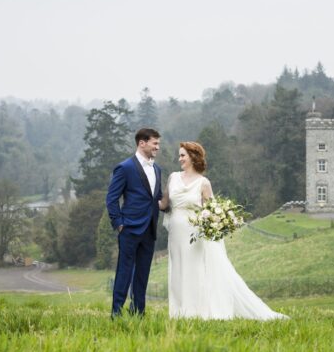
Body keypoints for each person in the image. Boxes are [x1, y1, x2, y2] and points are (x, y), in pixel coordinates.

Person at [159, 141, 287, 320]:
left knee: (194, 270)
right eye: (179, 155)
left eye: (182, 155)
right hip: (175, 233)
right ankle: (179, 312)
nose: (179, 158)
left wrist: (217, 222)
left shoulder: (203, 183)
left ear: (193, 157)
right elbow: (164, 204)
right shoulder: (173, 177)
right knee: (178, 269)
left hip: (194, 233)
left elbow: (212, 211)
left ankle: (196, 311)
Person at [106, 128, 163, 317]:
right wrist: (119, 223)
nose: (157, 147)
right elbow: (111, 199)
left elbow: (158, 198)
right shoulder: (125, 168)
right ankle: (116, 312)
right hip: (129, 228)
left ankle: (138, 311)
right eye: (155, 143)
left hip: (150, 229)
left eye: (158, 143)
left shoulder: (157, 169)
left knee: (143, 273)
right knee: (124, 271)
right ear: (142, 143)